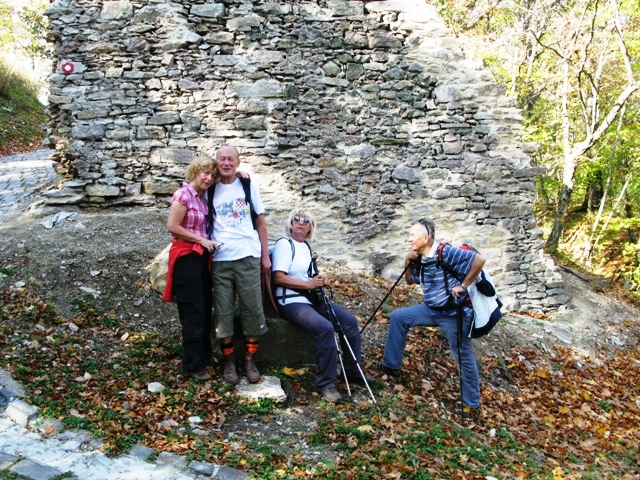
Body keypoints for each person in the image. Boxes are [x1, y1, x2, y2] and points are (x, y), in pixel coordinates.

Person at [377, 219, 486, 410]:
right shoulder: (421, 257)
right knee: (399, 317)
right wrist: (407, 262)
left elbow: (479, 260)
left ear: (426, 238)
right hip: (430, 309)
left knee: (462, 355)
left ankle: (471, 403)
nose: (409, 239)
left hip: (453, 313)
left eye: (413, 235)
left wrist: (463, 286)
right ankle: (391, 365)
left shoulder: (446, 252)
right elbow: (410, 281)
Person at [271, 209, 374, 404]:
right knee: (325, 328)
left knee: (349, 322)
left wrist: (315, 281)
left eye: (306, 220)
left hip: (310, 298)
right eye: (296, 219)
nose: (300, 222)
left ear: (311, 227)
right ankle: (325, 383)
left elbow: (305, 276)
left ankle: (352, 371)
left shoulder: (305, 247)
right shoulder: (285, 244)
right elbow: (278, 277)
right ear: (290, 223)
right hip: (290, 301)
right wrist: (308, 284)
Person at [208, 146, 270, 385]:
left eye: (230, 159)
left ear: (238, 162)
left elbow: (260, 222)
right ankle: (229, 362)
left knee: (252, 309)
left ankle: (250, 360)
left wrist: (265, 256)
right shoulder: (209, 187)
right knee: (223, 312)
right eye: (222, 159)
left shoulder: (247, 185)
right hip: (220, 259)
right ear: (216, 162)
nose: (226, 163)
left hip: (247, 255)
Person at [162, 155, 218, 382]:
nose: (209, 178)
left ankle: (203, 358)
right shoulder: (183, 195)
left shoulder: (203, 198)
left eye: (212, 175)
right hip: (186, 258)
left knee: (203, 308)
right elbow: (172, 226)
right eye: (206, 173)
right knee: (193, 311)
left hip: (201, 259)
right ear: (195, 171)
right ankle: (192, 365)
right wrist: (201, 240)